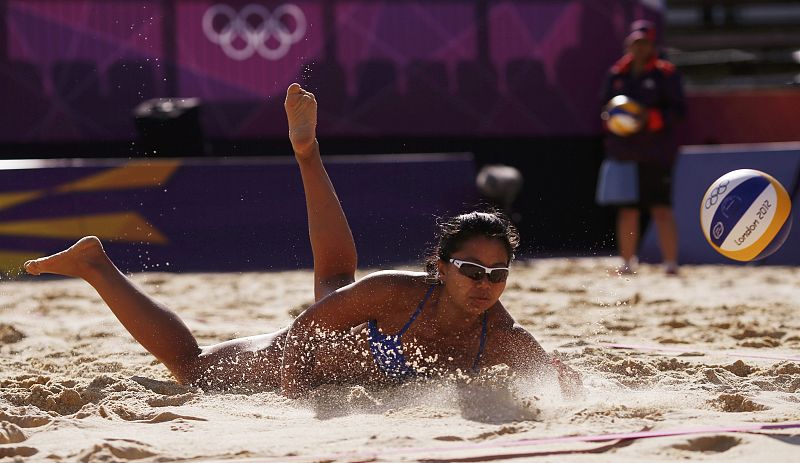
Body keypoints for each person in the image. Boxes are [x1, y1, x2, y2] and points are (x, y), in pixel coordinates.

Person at [24, 83, 582, 399]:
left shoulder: (501, 332)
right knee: (189, 367)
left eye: (498, 273)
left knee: (338, 275)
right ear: (440, 267)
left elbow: (551, 377)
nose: (486, 283)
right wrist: (295, 385)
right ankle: (98, 264)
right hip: (293, 358)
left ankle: (308, 153)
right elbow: (306, 330)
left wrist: (561, 376)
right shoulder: (397, 292)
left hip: (347, 344)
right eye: (472, 269)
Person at [600, 20, 686, 275]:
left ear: (652, 45)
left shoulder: (665, 74)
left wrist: (650, 118)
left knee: (661, 208)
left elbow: (679, 110)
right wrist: (613, 121)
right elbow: (604, 107)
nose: (640, 47)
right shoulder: (616, 74)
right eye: (636, 42)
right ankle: (628, 262)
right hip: (624, 152)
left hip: (655, 153)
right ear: (629, 44)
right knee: (628, 209)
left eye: (645, 42)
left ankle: (670, 263)